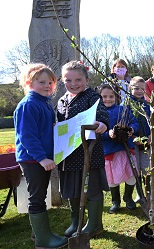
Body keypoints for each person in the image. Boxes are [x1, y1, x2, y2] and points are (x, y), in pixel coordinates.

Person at [14, 63, 68, 248]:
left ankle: (38, 234)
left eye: (51, 82)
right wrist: (41, 158)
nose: (47, 85)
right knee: (37, 197)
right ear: (29, 82)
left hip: (41, 157)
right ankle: (43, 241)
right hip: (32, 159)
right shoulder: (29, 104)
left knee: (40, 194)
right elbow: (27, 136)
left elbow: (42, 130)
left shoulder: (43, 103)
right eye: (41, 81)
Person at [56, 60, 110, 238]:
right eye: (68, 80)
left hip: (89, 152)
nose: (73, 84)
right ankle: (75, 221)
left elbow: (102, 114)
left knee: (91, 189)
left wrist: (102, 124)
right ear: (62, 81)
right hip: (69, 154)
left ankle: (94, 224)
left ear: (87, 79)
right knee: (73, 190)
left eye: (78, 79)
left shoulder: (92, 97)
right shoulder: (61, 101)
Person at [99, 85, 139, 213]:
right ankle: (115, 201)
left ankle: (128, 198)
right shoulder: (98, 113)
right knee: (112, 178)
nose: (108, 99)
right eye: (104, 97)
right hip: (109, 152)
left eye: (111, 96)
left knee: (131, 174)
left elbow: (134, 122)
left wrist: (131, 130)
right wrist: (107, 134)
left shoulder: (123, 109)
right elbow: (96, 133)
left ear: (116, 97)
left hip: (125, 149)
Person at [127, 76, 152, 204]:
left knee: (147, 168)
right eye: (136, 88)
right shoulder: (126, 104)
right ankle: (139, 193)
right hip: (133, 143)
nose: (139, 91)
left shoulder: (147, 104)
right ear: (129, 88)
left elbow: (153, 122)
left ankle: (149, 193)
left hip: (146, 142)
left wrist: (150, 137)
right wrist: (132, 137)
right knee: (135, 168)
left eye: (142, 89)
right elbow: (124, 124)